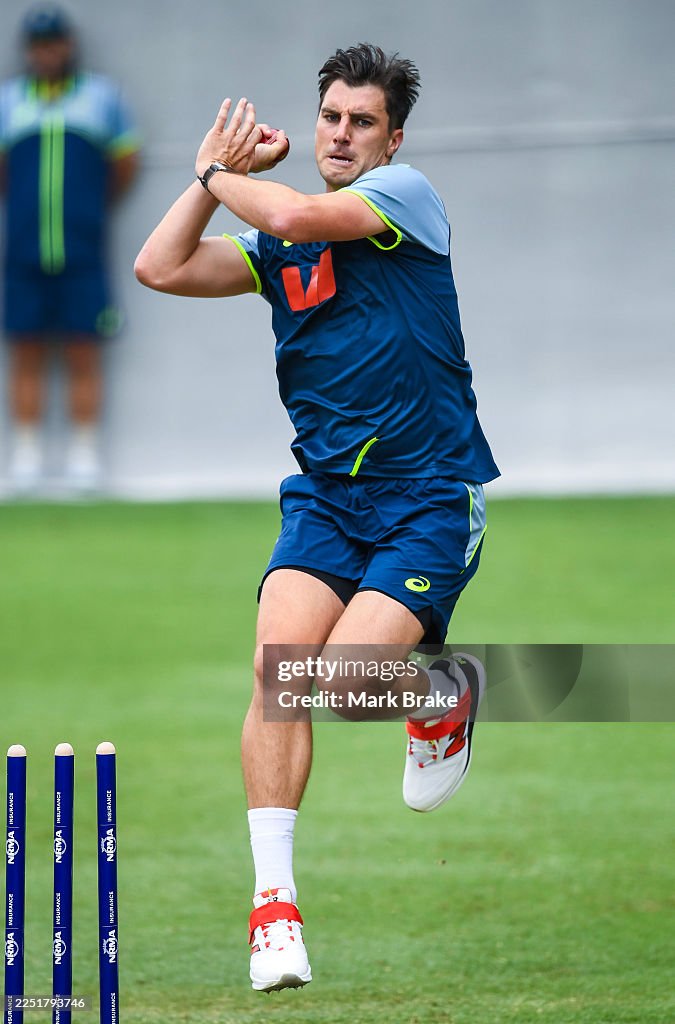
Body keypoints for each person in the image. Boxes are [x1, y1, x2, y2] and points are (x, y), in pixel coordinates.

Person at [135, 43, 499, 993]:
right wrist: (212, 186)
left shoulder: (403, 196)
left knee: (335, 685)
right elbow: (158, 266)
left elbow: (297, 208)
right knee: (276, 674)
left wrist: (222, 170)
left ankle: (438, 695)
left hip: (426, 493)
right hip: (327, 498)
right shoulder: (278, 241)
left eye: (361, 122)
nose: (341, 135)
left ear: (392, 138)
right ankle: (273, 911)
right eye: (331, 117)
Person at [0, 4, 140, 494]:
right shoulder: (9, 101)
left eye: (54, 43)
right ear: (29, 51)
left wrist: (86, 211)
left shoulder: (101, 99)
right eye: (39, 45)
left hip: (83, 251)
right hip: (22, 252)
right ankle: (26, 455)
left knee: (84, 346)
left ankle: (84, 456)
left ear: (68, 45)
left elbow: (124, 163)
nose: (48, 53)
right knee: (25, 347)